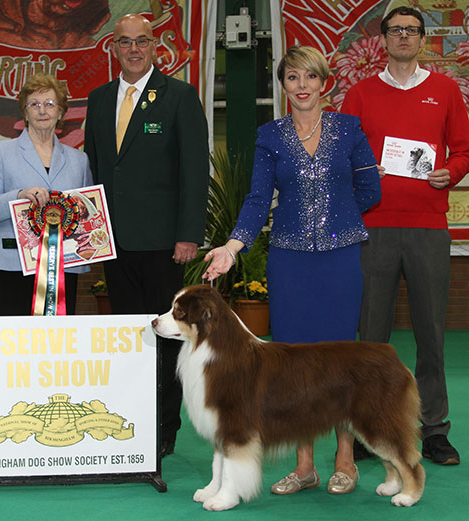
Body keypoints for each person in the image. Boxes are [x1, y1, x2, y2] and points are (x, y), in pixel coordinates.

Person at [204, 46, 380, 495]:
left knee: (341, 360)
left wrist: (336, 222)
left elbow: (369, 189)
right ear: (283, 86)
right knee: (293, 365)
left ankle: (346, 460)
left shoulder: (349, 129)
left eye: (310, 77)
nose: (301, 86)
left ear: (325, 83)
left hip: (341, 260)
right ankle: (305, 466)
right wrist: (231, 246)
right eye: (292, 78)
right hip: (289, 263)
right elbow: (258, 200)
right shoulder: (271, 136)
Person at [341, 6, 469, 466]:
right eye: (395, 30)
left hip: (427, 227)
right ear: (383, 39)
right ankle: (365, 428)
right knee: (371, 336)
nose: (403, 37)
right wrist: (361, 173)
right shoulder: (360, 93)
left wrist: (449, 172)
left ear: (422, 40)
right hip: (372, 227)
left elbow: (465, 150)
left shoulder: (445, 90)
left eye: (411, 31)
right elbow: (344, 151)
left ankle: (433, 428)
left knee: (431, 332)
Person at [84, 13, 209, 458]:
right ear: (113, 48)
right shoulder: (98, 100)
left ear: (155, 45)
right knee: (128, 336)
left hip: (164, 244)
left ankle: (164, 428)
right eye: (124, 42)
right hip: (113, 244)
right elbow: (97, 170)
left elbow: (195, 171)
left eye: (142, 41)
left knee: (164, 337)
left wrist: (189, 234)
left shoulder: (179, 96)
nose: (133, 50)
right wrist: (91, 234)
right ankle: (132, 420)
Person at [0, 73, 93, 316]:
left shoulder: (79, 159)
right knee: (12, 346)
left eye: (49, 104)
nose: (42, 110)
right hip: (11, 265)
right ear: (24, 113)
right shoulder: (2, 152)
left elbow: (86, 213)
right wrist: (18, 196)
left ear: (61, 112)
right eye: (34, 104)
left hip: (64, 265)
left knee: (58, 345)